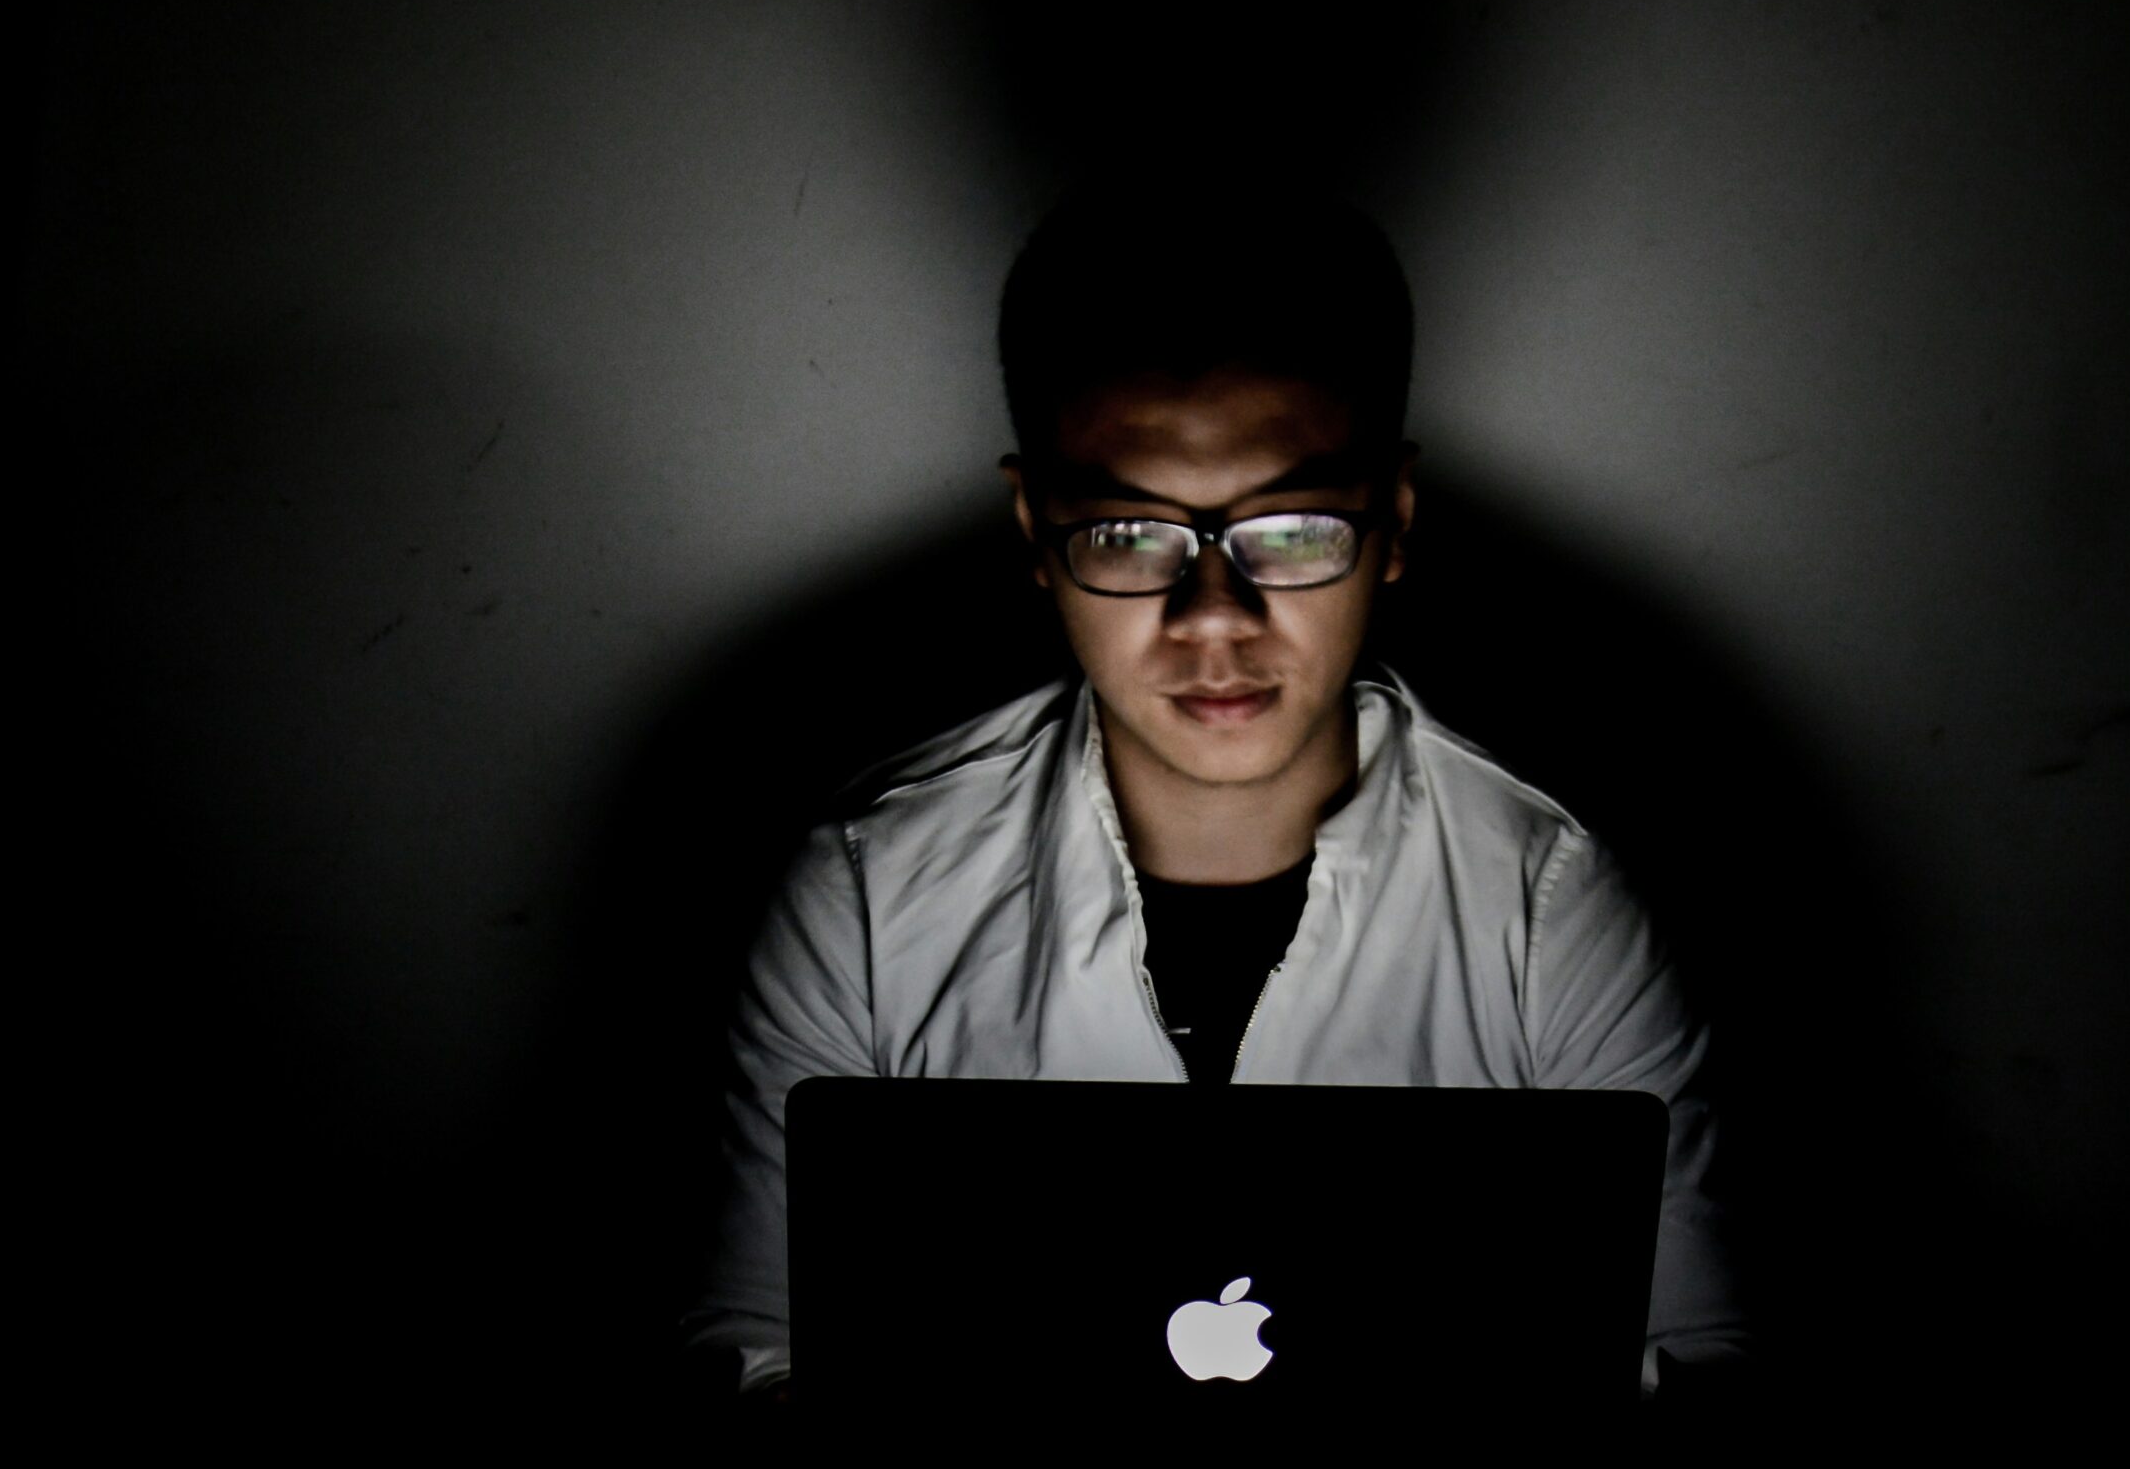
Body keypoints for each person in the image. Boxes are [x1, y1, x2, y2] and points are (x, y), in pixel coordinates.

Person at [686, 180, 1749, 1400]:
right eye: (1131, 535)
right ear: (1036, 530)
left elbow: (1692, 1365)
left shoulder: (1549, 908)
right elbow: (761, 1355)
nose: (1213, 622)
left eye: (1290, 528)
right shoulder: (868, 894)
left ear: (1391, 521)